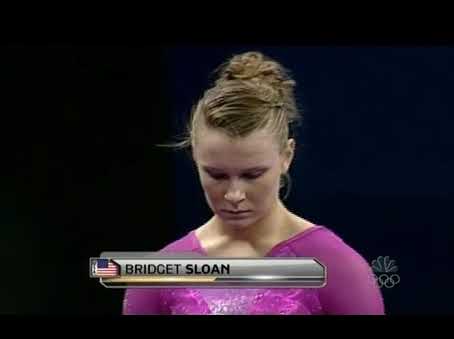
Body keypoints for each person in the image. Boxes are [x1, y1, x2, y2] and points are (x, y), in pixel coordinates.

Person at [122, 51, 385, 315]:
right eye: (217, 175)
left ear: (287, 156)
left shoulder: (337, 267)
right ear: (194, 158)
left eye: (252, 175)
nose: (234, 194)